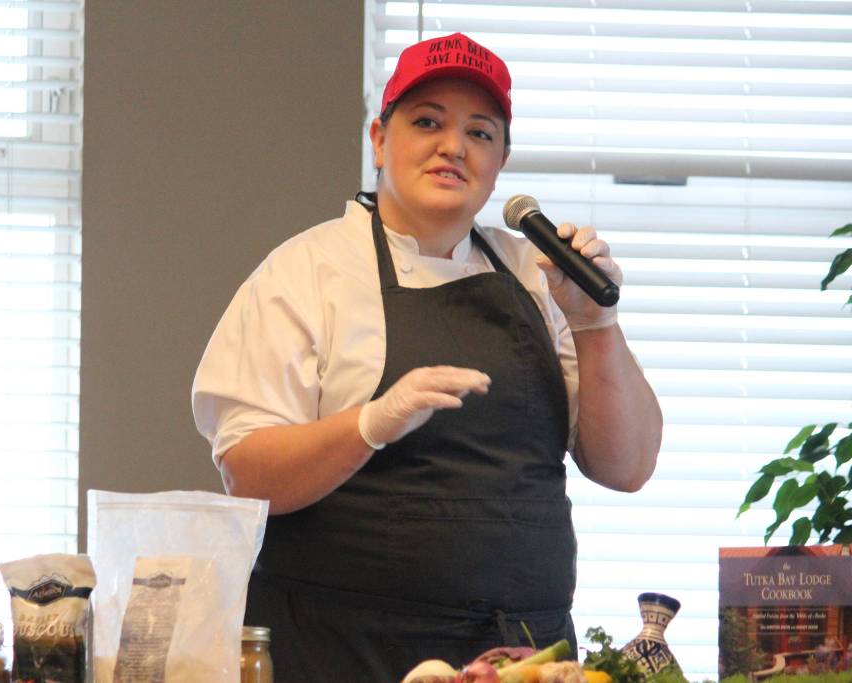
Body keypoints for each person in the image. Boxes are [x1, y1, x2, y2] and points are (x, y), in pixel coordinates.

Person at [193, 32, 662, 682]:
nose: (454, 146)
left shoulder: (537, 273)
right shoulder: (308, 273)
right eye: (427, 122)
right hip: (342, 654)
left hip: (522, 658)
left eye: (480, 131)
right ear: (379, 139)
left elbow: (627, 465)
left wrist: (596, 323)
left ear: (501, 161)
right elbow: (248, 474)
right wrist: (367, 425)